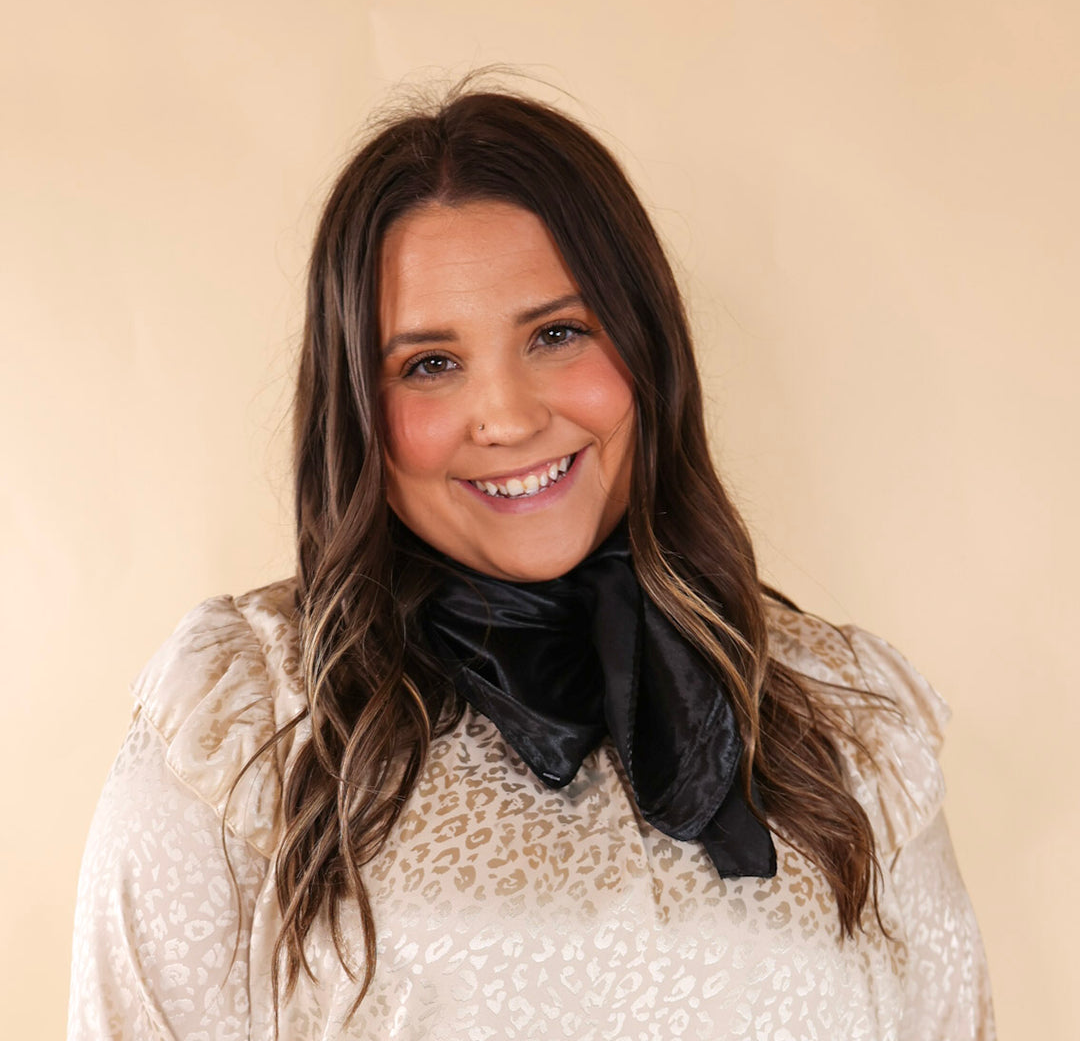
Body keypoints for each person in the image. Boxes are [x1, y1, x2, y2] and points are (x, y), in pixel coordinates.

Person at [68, 83, 995, 1040]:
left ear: (647, 350)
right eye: (429, 364)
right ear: (358, 410)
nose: (508, 418)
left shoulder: (845, 721)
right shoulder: (245, 721)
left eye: (558, 335)